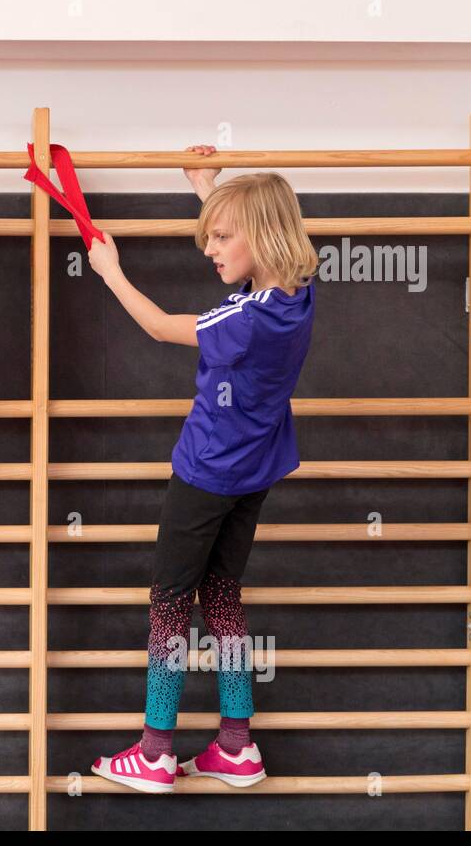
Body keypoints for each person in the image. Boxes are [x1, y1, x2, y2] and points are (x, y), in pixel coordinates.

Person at [86, 145, 318, 791]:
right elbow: (257, 236)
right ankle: (237, 746)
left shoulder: (242, 320)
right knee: (221, 595)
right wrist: (208, 187)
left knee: (168, 601)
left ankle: (156, 750)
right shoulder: (297, 295)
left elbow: (161, 326)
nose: (210, 249)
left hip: (207, 472)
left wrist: (109, 268)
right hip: (256, 471)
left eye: (220, 236)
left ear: (261, 237)